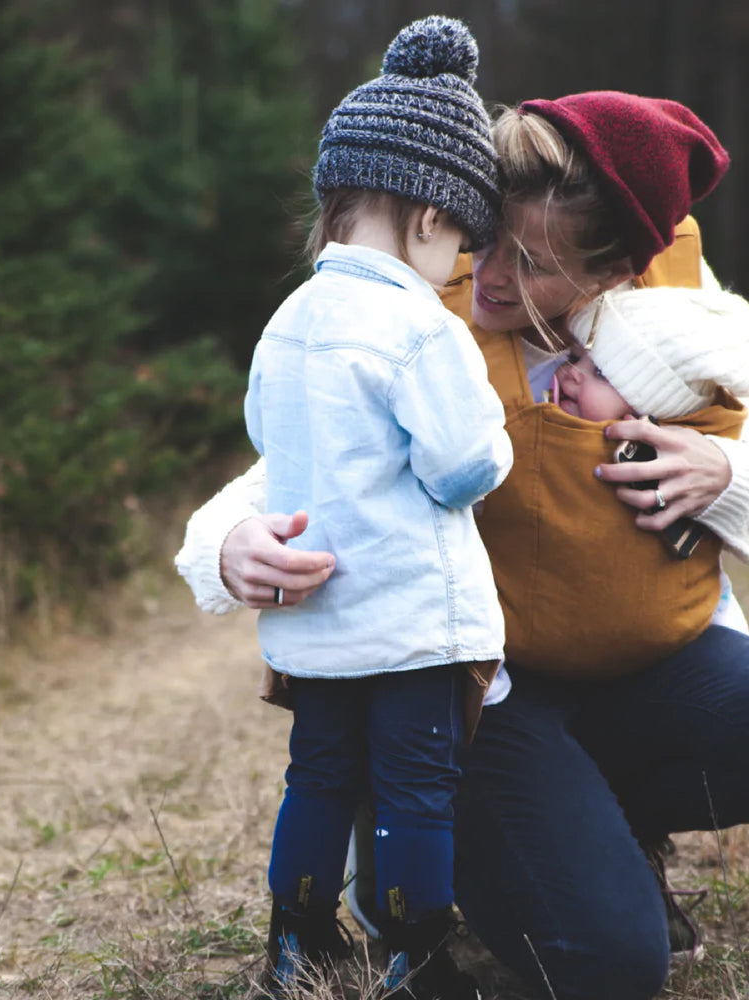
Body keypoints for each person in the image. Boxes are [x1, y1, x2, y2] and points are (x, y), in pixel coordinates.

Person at [176, 91, 749, 1000]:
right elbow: (295, 463)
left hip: (640, 669)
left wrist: (723, 475)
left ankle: (600, 817)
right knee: (614, 966)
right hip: (482, 691)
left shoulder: (668, 332)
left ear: (617, 269)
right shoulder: (425, 313)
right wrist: (225, 545)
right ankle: (421, 813)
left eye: (534, 263)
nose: (492, 275)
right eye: (487, 240)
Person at [246, 17, 511, 1000]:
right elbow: (458, 467)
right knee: (413, 790)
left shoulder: (287, 321)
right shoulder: (416, 323)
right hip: (409, 623)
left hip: (315, 623)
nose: (460, 271)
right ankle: (418, 954)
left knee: (317, 775)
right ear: (431, 219)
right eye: (463, 245)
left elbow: (268, 438)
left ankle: (295, 938)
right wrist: (494, 433)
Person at [485, 283, 749, 677]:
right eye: (575, 358)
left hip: (676, 643)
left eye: (600, 373)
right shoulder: (525, 406)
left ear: (651, 411)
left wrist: (728, 474)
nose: (570, 375)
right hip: (533, 650)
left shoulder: (682, 439)